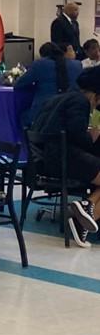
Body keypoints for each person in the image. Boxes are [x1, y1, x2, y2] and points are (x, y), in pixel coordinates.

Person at [31, 67, 100, 247]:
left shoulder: (57, 98)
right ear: (94, 96)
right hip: (63, 159)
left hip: (42, 161)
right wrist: (91, 137)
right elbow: (77, 134)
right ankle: (86, 215)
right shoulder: (80, 102)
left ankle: (87, 208)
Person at [15, 42, 83, 128]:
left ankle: (28, 141)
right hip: (72, 112)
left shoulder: (40, 64)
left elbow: (18, 85)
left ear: (43, 56)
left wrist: (34, 86)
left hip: (44, 113)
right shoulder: (78, 65)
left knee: (22, 117)